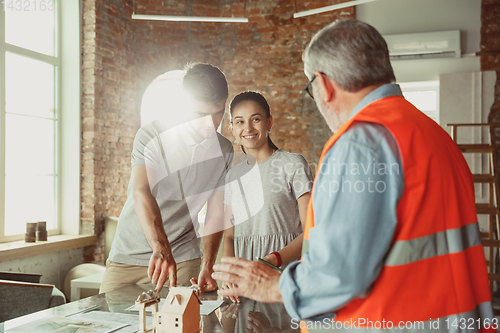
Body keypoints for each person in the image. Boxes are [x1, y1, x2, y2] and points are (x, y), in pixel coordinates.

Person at [213, 19, 496, 332]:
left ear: (325, 84)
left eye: (311, 89)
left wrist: (272, 286)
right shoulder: (434, 135)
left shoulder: (361, 142)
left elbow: (339, 273)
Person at [100, 63, 234, 294]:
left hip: (183, 257)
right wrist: (160, 247)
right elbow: (142, 191)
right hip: (128, 256)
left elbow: (216, 212)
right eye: (201, 114)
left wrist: (208, 265)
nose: (210, 123)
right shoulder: (151, 135)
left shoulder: (224, 150)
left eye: (218, 113)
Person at [222, 91, 312, 303]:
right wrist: (230, 275)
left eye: (256, 119)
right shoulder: (231, 176)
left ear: (269, 122)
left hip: (282, 281)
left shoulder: (293, 165)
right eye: (240, 121)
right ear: (232, 128)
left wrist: (274, 260)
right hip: (243, 287)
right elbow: (229, 236)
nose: (248, 128)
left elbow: (311, 230)